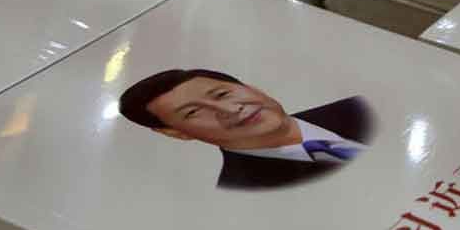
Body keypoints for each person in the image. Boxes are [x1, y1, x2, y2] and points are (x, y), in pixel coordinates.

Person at [119, 69, 374, 190]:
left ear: (252, 88)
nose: (231, 110)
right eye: (193, 112)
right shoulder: (245, 190)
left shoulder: (360, 108)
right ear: (176, 132)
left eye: (222, 94)